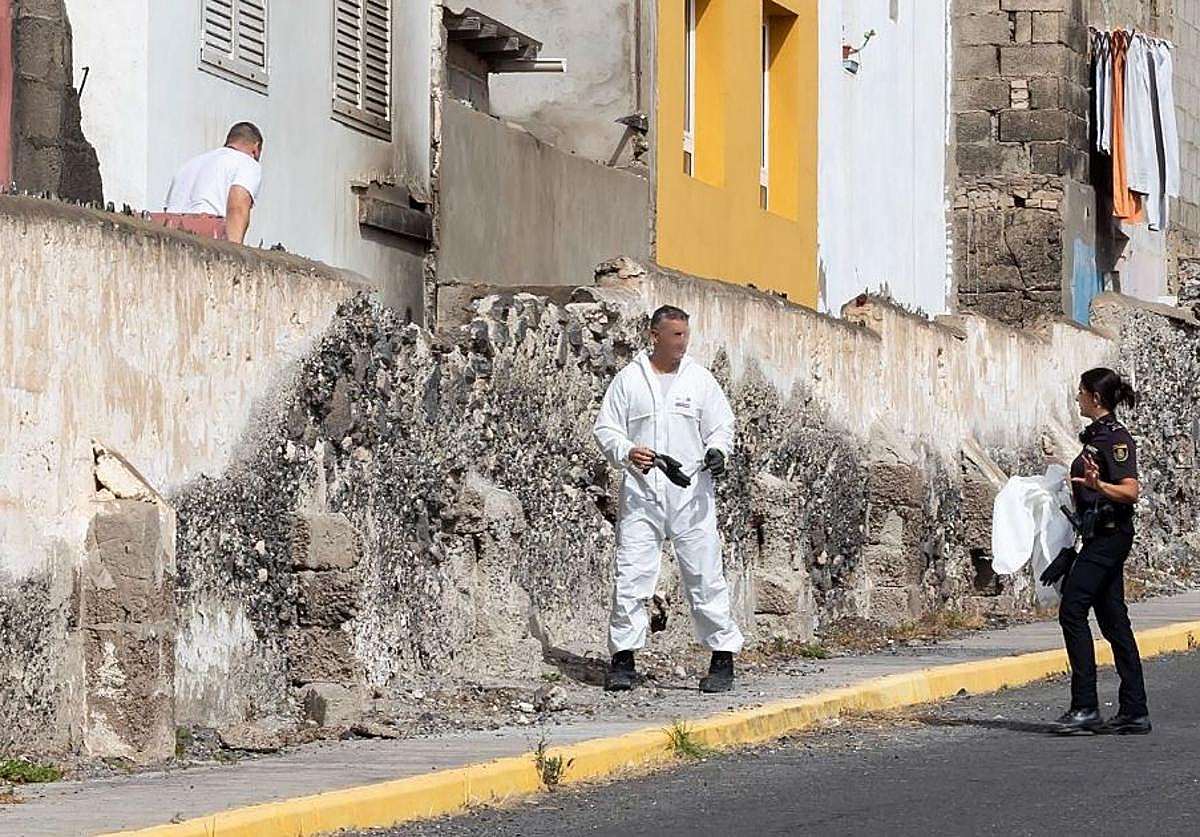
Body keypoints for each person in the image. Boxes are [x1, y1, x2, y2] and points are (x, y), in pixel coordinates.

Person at [593, 305, 744, 693]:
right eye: (675, 335)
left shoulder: (700, 380)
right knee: (632, 573)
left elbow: (722, 426)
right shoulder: (628, 381)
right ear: (654, 335)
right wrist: (627, 450)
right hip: (643, 494)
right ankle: (623, 658)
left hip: (691, 495)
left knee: (704, 574)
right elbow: (606, 429)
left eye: (685, 335)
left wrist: (718, 452)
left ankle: (722, 657)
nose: (683, 343)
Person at [1053, 368, 1150, 735]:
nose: (1076, 396)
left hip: (1110, 537)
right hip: (1097, 536)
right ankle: (1134, 710)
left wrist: (1100, 485)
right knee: (1113, 620)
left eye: (1080, 391)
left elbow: (1130, 491)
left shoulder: (1115, 439)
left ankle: (1085, 707)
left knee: (1072, 610)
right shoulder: (1095, 438)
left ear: (1095, 396)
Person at [155, 122, 264, 244]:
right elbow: (237, 207)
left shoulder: (189, 165)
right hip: (206, 238)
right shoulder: (247, 163)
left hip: (168, 238)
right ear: (255, 148)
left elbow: (168, 208)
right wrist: (235, 252)